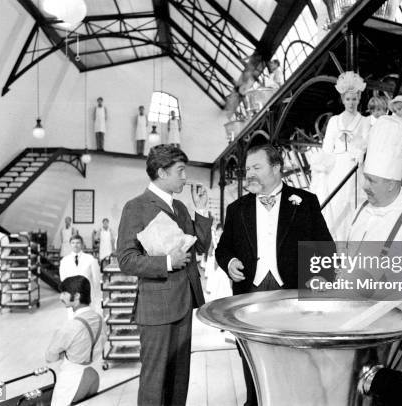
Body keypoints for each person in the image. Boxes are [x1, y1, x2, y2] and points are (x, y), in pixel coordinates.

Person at [215, 143, 333, 406]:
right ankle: (254, 401)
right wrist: (230, 261)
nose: (250, 174)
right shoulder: (237, 209)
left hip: (291, 295)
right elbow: (224, 248)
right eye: (248, 169)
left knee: (293, 359)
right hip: (250, 293)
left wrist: (316, 299)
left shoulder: (306, 203)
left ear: (277, 168)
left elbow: (325, 249)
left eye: (256, 167)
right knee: (251, 356)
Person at [343, 116, 402, 400]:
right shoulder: (360, 212)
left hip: (390, 338)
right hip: (355, 330)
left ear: (392, 183)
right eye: (365, 178)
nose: (365, 186)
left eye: (371, 180)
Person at [116, 144, 212, 406]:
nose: (185, 177)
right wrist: (168, 262)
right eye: (180, 171)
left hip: (184, 304)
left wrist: (201, 210)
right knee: (155, 380)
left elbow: (200, 246)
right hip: (157, 309)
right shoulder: (136, 207)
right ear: (161, 172)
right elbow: (126, 260)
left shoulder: (180, 207)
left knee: (179, 378)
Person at [309, 71, 370, 241]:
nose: (351, 103)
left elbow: (365, 145)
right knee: (335, 203)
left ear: (359, 99)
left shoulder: (364, 121)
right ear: (343, 100)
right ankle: (334, 240)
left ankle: (353, 240)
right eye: (348, 99)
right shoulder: (335, 121)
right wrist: (323, 167)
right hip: (336, 167)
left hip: (354, 165)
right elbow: (327, 147)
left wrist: (358, 148)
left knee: (352, 203)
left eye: (354, 99)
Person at [46, 275, 105, 406]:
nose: (60, 297)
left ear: (77, 296)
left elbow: (50, 356)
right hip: (93, 376)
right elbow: (99, 345)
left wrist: (65, 353)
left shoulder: (70, 326)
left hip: (72, 381)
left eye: (64, 293)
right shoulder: (100, 319)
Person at [59, 235, 102, 316]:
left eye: (78, 243)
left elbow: (96, 281)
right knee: (74, 319)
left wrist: (97, 299)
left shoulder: (91, 259)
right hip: (72, 295)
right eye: (73, 243)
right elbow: (63, 280)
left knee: (88, 317)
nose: (75, 245)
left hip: (88, 295)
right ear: (70, 244)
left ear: (82, 244)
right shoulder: (64, 261)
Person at [204, 223, 232, 301]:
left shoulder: (223, 240)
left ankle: (224, 295)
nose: (219, 232)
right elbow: (210, 251)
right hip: (216, 261)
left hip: (221, 262)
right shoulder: (215, 239)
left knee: (223, 279)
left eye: (221, 230)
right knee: (216, 279)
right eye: (218, 230)